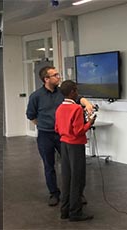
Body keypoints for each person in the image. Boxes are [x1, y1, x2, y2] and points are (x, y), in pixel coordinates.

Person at [26, 66, 94, 206]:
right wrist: (43, 125)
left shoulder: (63, 93)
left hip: (62, 135)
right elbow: (31, 116)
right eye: (55, 75)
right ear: (46, 79)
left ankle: (77, 194)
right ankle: (54, 194)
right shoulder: (36, 96)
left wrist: (87, 103)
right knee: (49, 165)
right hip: (45, 135)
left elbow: (78, 98)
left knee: (72, 165)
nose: (59, 77)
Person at [55, 80, 95, 222]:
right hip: (75, 146)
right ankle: (75, 212)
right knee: (77, 179)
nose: (77, 93)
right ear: (72, 92)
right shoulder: (77, 109)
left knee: (66, 178)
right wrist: (90, 122)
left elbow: (57, 129)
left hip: (64, 144)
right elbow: (78, 131)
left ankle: (64, 210)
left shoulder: (59, 108)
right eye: (76, 90)